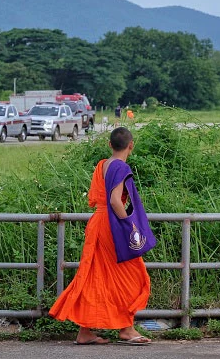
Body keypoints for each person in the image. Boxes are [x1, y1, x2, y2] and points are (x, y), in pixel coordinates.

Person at [49, 127, 151, 345]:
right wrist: (129, 226)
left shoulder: (103, 165)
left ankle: (85, 332)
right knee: (134, 275)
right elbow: (115, 200)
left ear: (109, 144)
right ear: (131, 145)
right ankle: (127, 329)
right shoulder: (121, 167)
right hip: (112, 226)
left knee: (97, 276)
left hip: (98, 222)